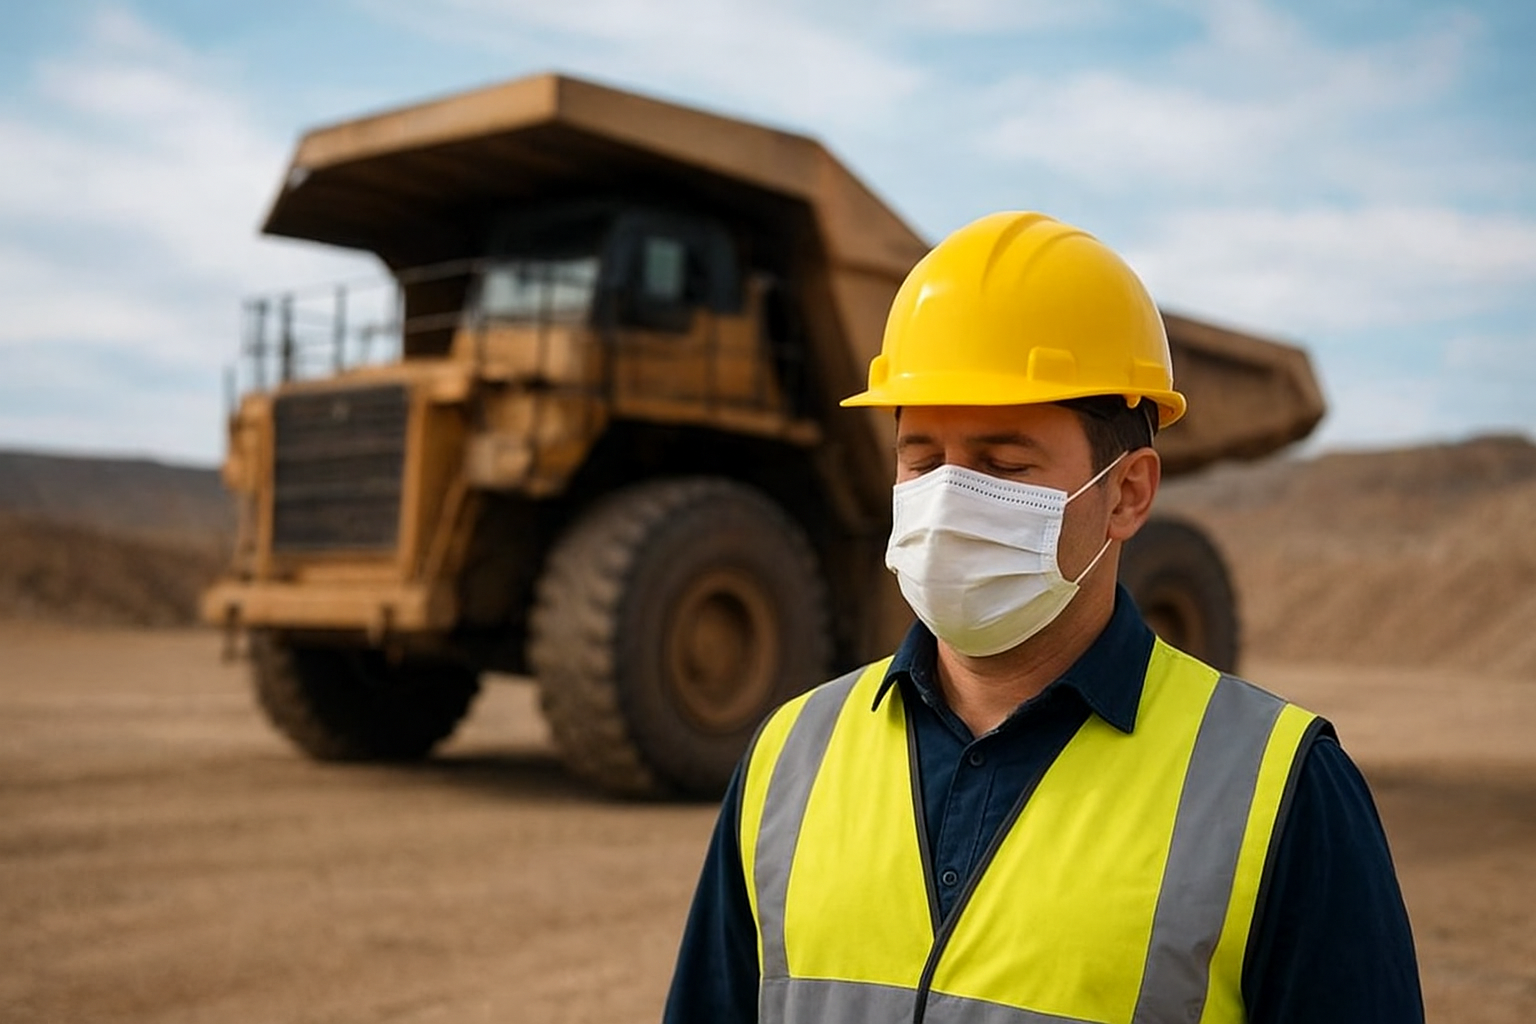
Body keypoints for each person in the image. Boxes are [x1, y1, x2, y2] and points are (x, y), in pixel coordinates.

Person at [663, 212, 1422, 1024]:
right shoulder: (789, 759)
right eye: (921, 458)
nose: (948, 498)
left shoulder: (1282, 792)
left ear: (1127, 493)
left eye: (1002, 464)